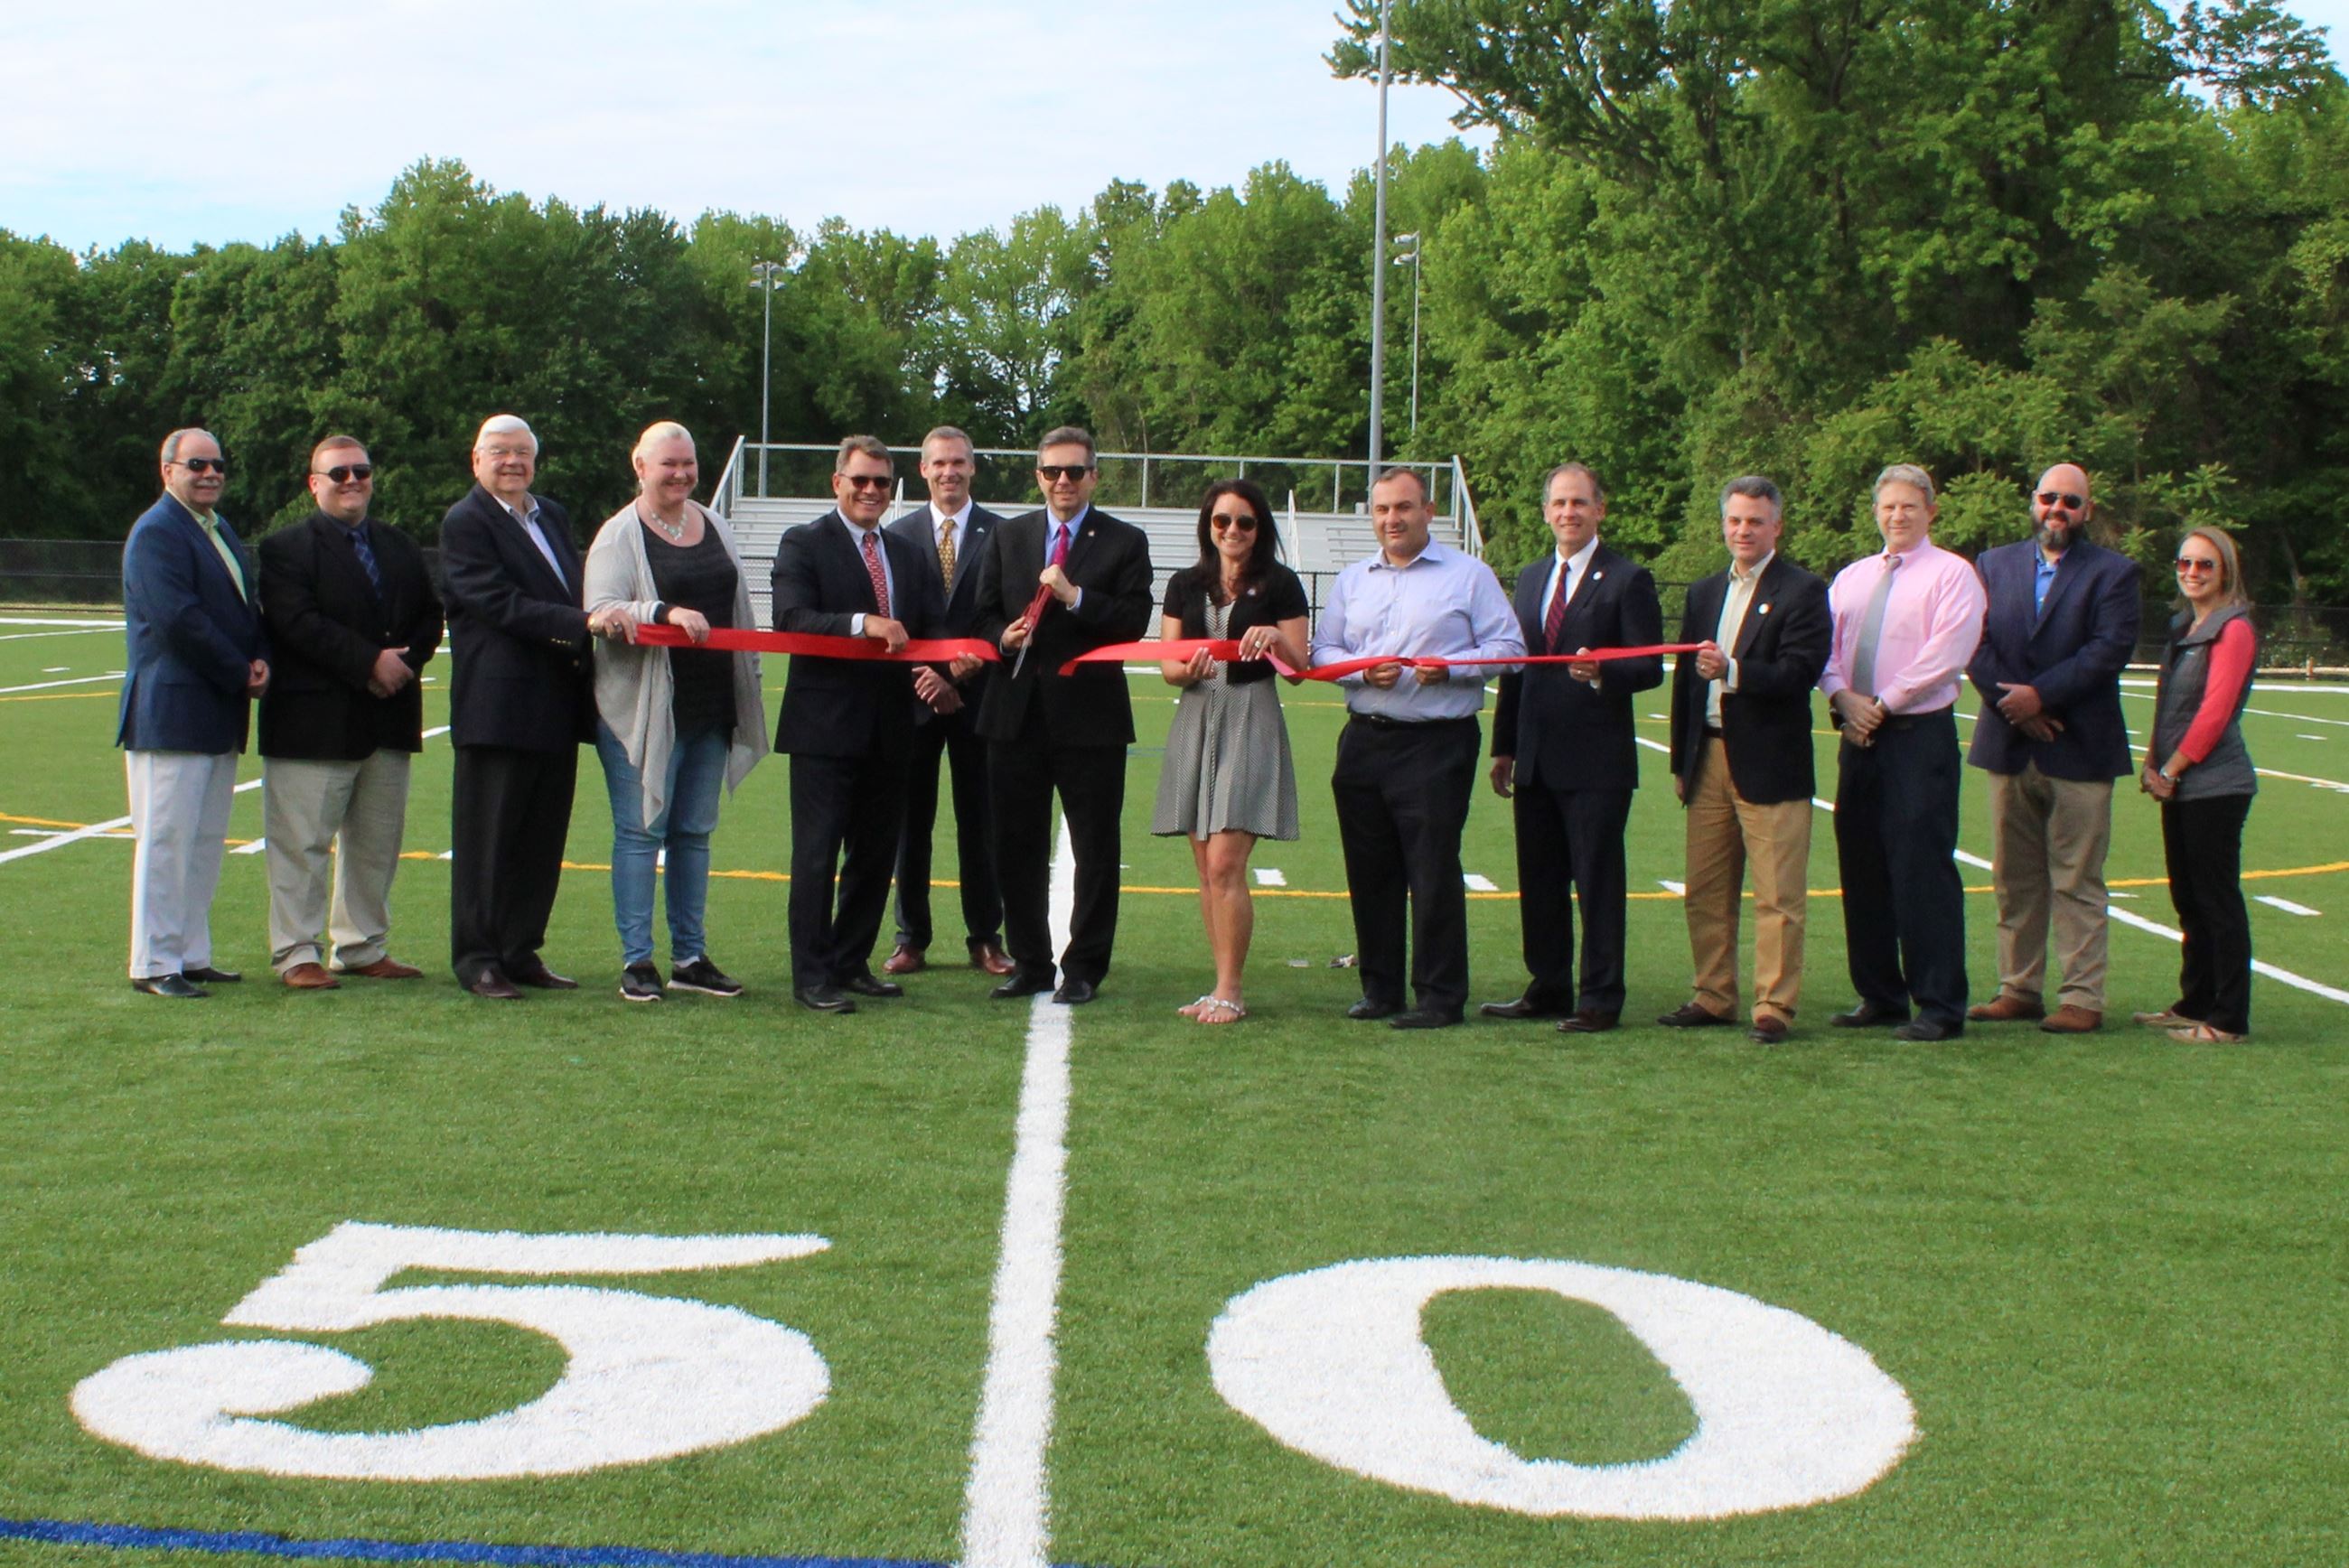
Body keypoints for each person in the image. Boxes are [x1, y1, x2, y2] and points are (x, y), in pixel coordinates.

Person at [1312, 466, 1524, 1030]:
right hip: (1364, 739)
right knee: (1370, 870)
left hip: (1437, 741)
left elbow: (1510, 648)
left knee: (1431, 871)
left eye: (1403, 508)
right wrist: (1359, 672)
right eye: (1382, 510)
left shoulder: (1469, 575)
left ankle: (1439, 996)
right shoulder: (1354, 579)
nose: (1392, 520)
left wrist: (1453, 669)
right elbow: (1324, 650)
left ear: (1428, 511)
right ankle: (1380, 989)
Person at [771, 435, 959, 1013]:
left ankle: (852, 963)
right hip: (824, 728)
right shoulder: (803, 542)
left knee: (876, 857)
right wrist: (863, 623)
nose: (872, 491)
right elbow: (791, 618)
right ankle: (812, 976)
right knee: (817, 855)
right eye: (861, 480)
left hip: (894, 726)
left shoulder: (905, 552)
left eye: (882, 482)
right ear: (838, 483)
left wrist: (954, 666)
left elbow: (928, 630)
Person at [583, 421, 770, 1003]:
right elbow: (601, 611)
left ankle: (689, 955)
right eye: (669, 464)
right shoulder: (619, 534)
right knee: (641, 833)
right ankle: (638, 960)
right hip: (643, 711)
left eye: (689, 463)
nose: (682, 474)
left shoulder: (712, 523)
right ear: (640, 467)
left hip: (709, 708)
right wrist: (662, 610)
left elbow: (737, 603)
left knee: (693, 834)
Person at [972, 426, 1155, 1005]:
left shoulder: (1124, 540)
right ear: (1038, 477)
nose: (1063, 481)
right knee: (1015, 844)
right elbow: (979, 617)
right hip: (1014, 715)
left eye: (1074, 471)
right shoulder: (1009, 535)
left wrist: (1075, 596)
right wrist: (1001, 635)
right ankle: (1029, 962)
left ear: (1094, 476)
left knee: (1096, 847)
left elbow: (1133, 620)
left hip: (1091, 720)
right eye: (1052, 471)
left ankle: (1083, 968)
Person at [256, 435, 443, 990]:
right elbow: (297, 623)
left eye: (361, 470)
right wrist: (369, 663)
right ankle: (296, 952)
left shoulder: (399, 545)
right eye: (337, 473)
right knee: (302, 845)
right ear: (315, 483)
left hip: (389, 717)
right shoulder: (285, 548)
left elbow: (430, 616)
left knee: (376, 844)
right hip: (313, 723)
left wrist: (401, 665)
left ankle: (361, 946)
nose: (352, 481)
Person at [441, 414, 618, 1000]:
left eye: (522, 452)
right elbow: (499, 602)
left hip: (553, 706)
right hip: (497, 709)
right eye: (499, 452)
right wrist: (583, 623)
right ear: (477, 460)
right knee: (488, 842)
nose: (512, 461)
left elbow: (576, 588)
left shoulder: (553, 517)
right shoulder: (466, 522)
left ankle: (520, 949)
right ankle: (479, 958)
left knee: (541, 841)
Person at [1482, 462, 1662, 1034]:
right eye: (1559, 503)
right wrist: (1504, 745)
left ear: (1599, 510)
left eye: (1579, 503)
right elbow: (1517, 666)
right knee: (1539, 881)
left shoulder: (1629, 579)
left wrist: (1604, 673)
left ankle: (1601, 997)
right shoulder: (1532, 577)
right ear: (1545, 512)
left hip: (1596, 762)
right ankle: (1549, 985)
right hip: (1534, 755)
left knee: (1597, 883)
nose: (1568, 513)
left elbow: (1649, 664)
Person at [1965, 464, 2141, 1034]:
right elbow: (1975, 642)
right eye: (2049, 498)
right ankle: (2018, 988)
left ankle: (2083, 997)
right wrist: (2014, 704)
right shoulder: (1992, 565)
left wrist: (2041, 697)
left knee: (2077, 878)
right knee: (2013, 877)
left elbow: (2107, 651)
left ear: (2086, 511)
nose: (2057, 508)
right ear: (2033, 502)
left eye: (2071, 500)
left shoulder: (2114, 573)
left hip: (2080, 747)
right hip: (2009, 743)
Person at [1818, 463, 1989, 1041]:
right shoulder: (1852, 578)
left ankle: (1939, 1004)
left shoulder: (1953, 576)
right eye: (1889, 506)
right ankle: (1880, 994)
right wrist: (1843, 698)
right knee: (1861, 865)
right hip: (1858, 735)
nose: (1898, 516)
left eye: (1910, 507)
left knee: (1921, 869)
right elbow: (1827, 648)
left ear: (1931, 513)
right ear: (1875, 512)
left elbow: (1945, 654)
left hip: (1916, 734)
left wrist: (1881, 704)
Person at [1660, 476, 1832, 1044]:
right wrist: (1682, 761)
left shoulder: (1803, 590)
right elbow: (1686, 680)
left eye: (1755, 521)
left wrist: (1733, 671)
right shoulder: (1705, 591)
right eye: (1735, 520)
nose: (1743, 530)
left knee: (1778, 894)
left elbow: (1800, 672)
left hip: (1769, 762)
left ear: (1777, 526)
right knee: (1706, 888)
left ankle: (1774, 1005)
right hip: (1707, 754)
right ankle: (1714, 994)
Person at [1152, 479, 1311, 1024]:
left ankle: (1232, 989)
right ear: (1208, 526)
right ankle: (1218, 983)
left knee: (1225, 862)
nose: (1233, 531)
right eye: (1222, 521)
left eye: (1244, 521)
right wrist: (1187, 669)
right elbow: (1170, 667)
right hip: (1197, 714)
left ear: (1259, 527)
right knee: (1204, 866)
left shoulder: (1281, 584)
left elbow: (1300, 669)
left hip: (1250, 712)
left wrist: (1276, 640)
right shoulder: (1183, 584)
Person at [117, 428, 269, 998]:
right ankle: (154, 963)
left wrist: (260, 658)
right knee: (165, 839)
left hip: (216, 709)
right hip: (173, 710)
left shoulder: (217, 528)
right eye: (196, 464)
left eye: (218, 465)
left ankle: (189, 952)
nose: (210, 473)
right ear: (168, 471)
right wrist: (241, 669)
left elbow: (245, 610)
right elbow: (178, 619)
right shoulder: (157, 532)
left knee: (205, 840)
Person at [883, 426, 1014, 979]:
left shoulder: (1003, 535)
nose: (949, 472)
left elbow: (1006, 615)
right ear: (923, 470)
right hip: (914, 698)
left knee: (980, 821)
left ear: (973, 468)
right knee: (910, 823)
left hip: (979, 700)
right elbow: (893, 615)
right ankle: (911, 937)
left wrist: (966, 672)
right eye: (939, 463)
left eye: (958, 462)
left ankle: (985, 935)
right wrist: (930, 677)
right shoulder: (897, 534)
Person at [2139, 527, 2259, 1044]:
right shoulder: (2185, 626)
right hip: (2182, 782)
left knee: (2216, 900)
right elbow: (2169, 707)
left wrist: (2173, 769)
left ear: (2225, 571)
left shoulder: (2233, 629)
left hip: (2216, 784)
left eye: (2205, 565)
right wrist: (2152, 763)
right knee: (2188, 897)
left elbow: (2214, 713)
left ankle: (2228, 1018)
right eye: (2184, 562)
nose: (2192, 572)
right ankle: (2196, 1001)